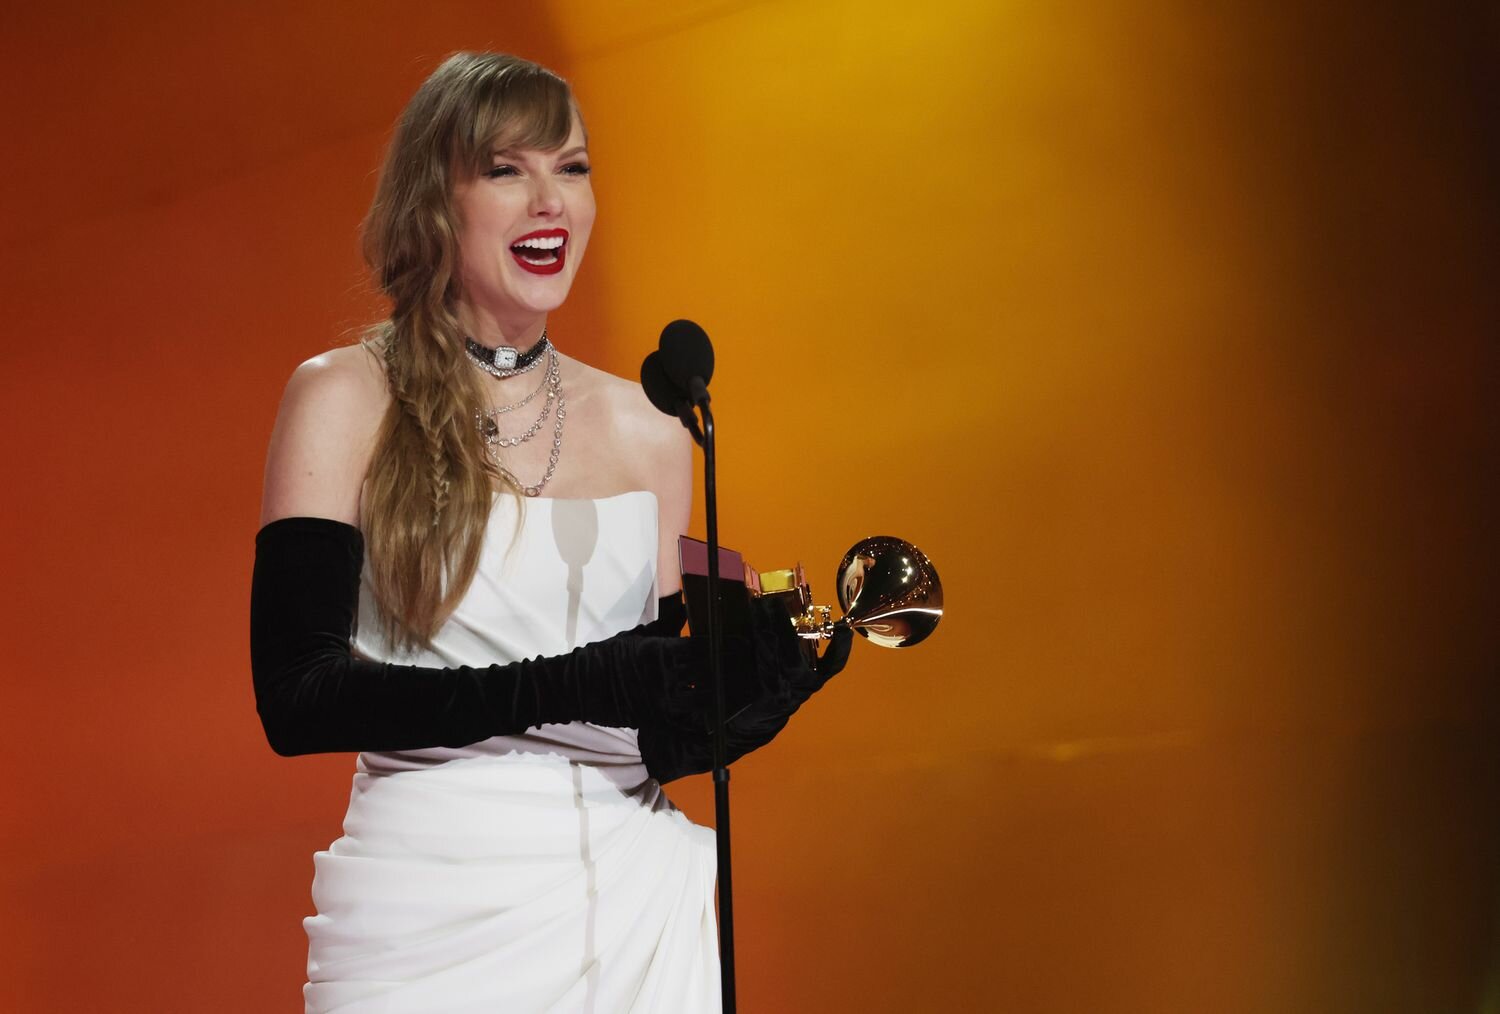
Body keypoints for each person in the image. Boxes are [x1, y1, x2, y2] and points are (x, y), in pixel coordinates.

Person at [249, 52, 851, 1012]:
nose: (551, 201)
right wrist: (578, 682)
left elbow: (642, 728)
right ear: (431, 202)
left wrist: (742, 708)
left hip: (633, 915)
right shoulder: (345, 397)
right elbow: (297, 698)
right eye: (505, 169)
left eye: (571, 167)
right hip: (427, 918)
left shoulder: (655, 432)